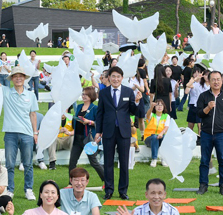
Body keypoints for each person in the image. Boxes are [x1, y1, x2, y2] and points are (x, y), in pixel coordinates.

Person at [0, 65, 39, 201]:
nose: (18, 79)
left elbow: (33, 114)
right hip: (10, 133)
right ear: (12, 79)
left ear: (24, 78)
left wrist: (35, 133)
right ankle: (10, 189)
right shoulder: (6, 91)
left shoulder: (30, 95)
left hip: (27, 133)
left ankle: (28, 189)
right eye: (15, 76)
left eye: (20, 76)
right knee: (10, 164)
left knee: (28, 163)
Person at [94, 66, 142, 201]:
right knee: (108, 162)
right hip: (108, 131)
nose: (116, 79)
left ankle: (123, 191)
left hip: (124, 131)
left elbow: (133, 111)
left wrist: (137, 102)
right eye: (113, 76)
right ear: (109, 78)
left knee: (124, 162)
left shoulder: (128, 91)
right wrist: (98, 131)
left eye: (118, 76)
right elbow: (100, 113)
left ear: (122, 78)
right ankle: (109, 190)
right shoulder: (103, 93)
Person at [197, 70, 223, 196]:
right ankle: (203, 185)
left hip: (221, 134)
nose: (216, 82)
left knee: (222, 160)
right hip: (206, 133)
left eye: (218, 79)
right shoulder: (203, 96)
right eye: (213, 79)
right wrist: (208, 107)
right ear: (209, 81)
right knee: (204, 160)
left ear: (222, 80)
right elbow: (198, 114)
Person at [66, 87, 105, 181]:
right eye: (83, 94)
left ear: (91, 96)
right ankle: (71, 183)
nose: (83, 96)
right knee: (72, 162)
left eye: (86, 94)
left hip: (88, 139)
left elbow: (100, 123)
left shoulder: (95, 108)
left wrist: (89, 122)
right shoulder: (79, 106)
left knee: (93, 162)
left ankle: (106, 180)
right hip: (77, 138)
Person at [144, 98, 170, 168]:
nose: (159, 107)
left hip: (161, 136)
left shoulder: (166, 116)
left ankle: (163, 159)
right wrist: (151, 107)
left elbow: (166, 127)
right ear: (154, 107)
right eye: (157, 105)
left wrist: (161, 133)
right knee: (155, 137)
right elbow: (147, 116)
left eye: (161, 105)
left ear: (164, 107)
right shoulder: (152, 115)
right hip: (149, 137)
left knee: (165, 138)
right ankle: (154, 159)